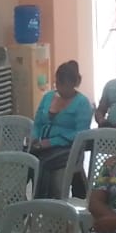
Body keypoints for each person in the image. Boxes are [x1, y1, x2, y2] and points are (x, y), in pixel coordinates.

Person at [30, 60, 95, 198]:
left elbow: (81, 134)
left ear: (73, 84)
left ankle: (44, 201)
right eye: (58, 84)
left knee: (41, 163)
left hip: (67, 148)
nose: (60, 89)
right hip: (42, 145)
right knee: (23, 160)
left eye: (64, 85)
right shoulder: (48, 97)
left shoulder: (82, 103)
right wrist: (35, 137)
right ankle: (18, 200)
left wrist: (52, 142)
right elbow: (37, 123)